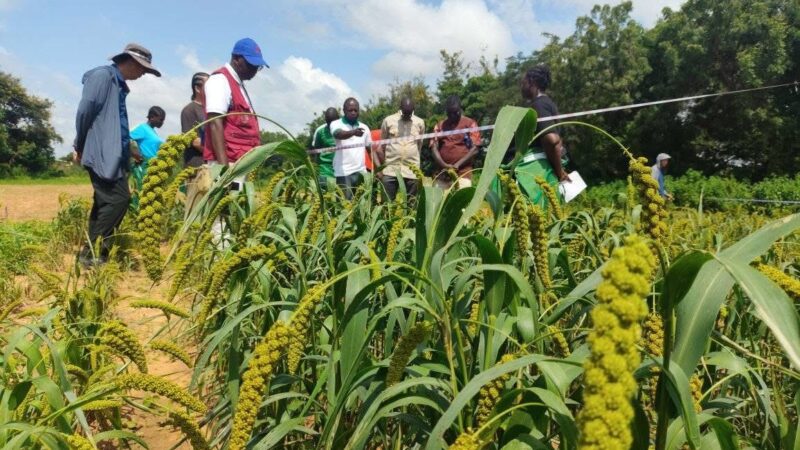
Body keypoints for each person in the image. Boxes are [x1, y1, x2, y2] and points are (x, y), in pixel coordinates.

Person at [74, 43, 161, 266]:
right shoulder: (103, 77)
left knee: (104, 203)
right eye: (142, 68)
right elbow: (85, 111)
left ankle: (93, 254)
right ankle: (91, 251)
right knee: (119, 200)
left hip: (114, 156)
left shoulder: (118, 85)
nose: (143, 74)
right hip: (102, 154)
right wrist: (80, 144)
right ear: (130, 61)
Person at [203, 37, 268, 168]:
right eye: (251, 65)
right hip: (227, 165)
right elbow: (215, 123)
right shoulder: (220, 81)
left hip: (240, 164)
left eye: (257, 66)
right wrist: (223, 172)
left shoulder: (239, 84)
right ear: (236, 59)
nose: (254, 70)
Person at [515, 64, 568, 207]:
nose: (521, 87)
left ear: (532, 82)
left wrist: (560, 172)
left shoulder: (538, 106)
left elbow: (551, 139)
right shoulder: (549, 104)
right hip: (546, 170)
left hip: (538, 171)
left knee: (536, 214)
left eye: (523, 83)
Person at [376, 97, 425, 200]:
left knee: (412, 203)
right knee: (387, 205)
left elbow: (419, 146)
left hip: (411, 171)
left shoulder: (420, 123)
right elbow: (381, 147)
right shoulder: (388, 121)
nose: (407, 116)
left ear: (413, 110)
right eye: (405, 113)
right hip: (390, 170)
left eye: (409, 113)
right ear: (400, 108)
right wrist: (381, 168)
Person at [430, 95, 481, 189]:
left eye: (455, 112)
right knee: (437, 202)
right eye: (450, 113)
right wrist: (444, 166)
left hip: (463, 173)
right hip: (442, 174)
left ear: (460, 109)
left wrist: (457, 165)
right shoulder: (440, 125)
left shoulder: (470, 124)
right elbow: (433, 147)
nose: (452, 116)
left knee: (462, 201)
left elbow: (475, 149)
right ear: (446, 111)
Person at [181, 72, 209, 216]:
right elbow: (194, 140)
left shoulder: (211, 110)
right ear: (198, 88)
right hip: (196, 168)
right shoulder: (189, 110)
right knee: (194, 210)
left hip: (210, 166)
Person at [331, 97, 371, 199]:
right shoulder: (336, 124)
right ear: (344, 110)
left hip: (361, 173)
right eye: (350, 110)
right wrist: (353, 132)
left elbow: (370, 149)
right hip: (343, 173)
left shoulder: (364, 128)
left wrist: (375, 168)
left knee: (362, 207)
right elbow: (338, 134)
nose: (353, 112)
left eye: (356, 110)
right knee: (345, 206)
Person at [129, 106, 166, 209]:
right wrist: (136, 154)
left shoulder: (153, 131)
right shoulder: (143, 128)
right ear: (152, 117)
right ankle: (135, 216)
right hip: (144, 166)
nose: (162, 122)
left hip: (153, 166)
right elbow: (126, 139)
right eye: (161, 119)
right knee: (142, 193)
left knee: (151, 196)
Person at [311, 107, 339, 188]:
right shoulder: (320, 131)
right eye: (328, 122)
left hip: (341, 170)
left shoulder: (345, 130)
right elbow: (316, 152)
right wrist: (315, 170)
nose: (331, 125)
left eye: (333, 122)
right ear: (326, 120)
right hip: (325, 170)